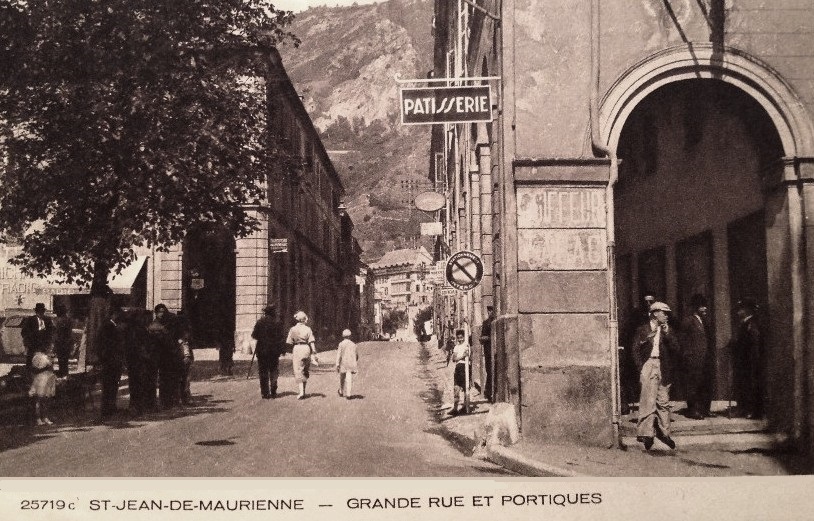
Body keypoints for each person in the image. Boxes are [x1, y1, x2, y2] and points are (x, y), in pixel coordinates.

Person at [631, 301, 679, 450]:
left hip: (663, 367)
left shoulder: (667, 331)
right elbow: (635, 350)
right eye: (664, 312)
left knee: (663, 400)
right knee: (648, 400)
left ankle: (664, 433)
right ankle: (647, 434)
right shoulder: (643, 330)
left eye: (667, 313)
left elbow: (676, 349)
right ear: (655, 313)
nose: (666, 315)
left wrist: (667, 333)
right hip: (649, 365)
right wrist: (641, 367)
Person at [620, 292, 656, 415]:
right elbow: (628, 332)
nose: (648, 304)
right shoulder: (636, 316)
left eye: (651, 301)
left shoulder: (657, 315)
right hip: (637, 352)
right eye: (646, 301)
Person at [679, 294, 713, 419]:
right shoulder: (688, 321)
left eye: (705, 306)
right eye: (702, 307)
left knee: (704, 384)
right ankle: (693, 410)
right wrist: (687, 356)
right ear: (696, 308)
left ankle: (704, 409)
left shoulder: (704, 321)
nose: (705, 309)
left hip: (704, 360)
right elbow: (682, 341)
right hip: (693, 360)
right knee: (693, 385)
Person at [732, 298, 763, 419]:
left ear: (747, 311)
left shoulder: (752, 324)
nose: (738, 312)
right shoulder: (744, 323)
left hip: (750, 362)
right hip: (744, 361)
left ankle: (752, 411)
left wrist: (753, 361)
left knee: (750, 385)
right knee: (744, 385)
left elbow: (754, 344)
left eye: (741, 309)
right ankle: (744, 409)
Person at [148, 304, 181, 409]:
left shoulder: (169, 324)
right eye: (159, 312)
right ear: (156, 313)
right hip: (158, 356)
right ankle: (163, 401)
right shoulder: (154, 325)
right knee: (162, 380)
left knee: (169, 378)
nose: (161, 314)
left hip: (169, 356)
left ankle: (169, 401)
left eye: (163, 311)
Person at [251, 305, 285, 399]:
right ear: (273, 313)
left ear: (265, 312)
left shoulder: (260, 322)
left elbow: (254, 335)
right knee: (273, 370)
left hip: (262, 350)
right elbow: (281, 337)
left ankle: (265, 393)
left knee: (263, 371)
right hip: (274, 351)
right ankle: (273, 390)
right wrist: (282, 349)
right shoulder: (277, 323)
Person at [98, 307, 125, 420]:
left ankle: (111, 407)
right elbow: (105, 344)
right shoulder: (108, 326)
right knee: (109, 385)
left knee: (113, 385)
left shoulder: (111, 325)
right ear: (114, 314)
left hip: (114, 360)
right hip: (110, 361)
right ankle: (107, 409)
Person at [285, 311, 318, 400]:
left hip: (297, 349)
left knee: (298, 370)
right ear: (304, 319)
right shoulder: (308, 329)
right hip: (306, 348)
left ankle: (301, 392)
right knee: (305, 369)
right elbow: (311, 341)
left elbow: (289, 342)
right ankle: (303, 390)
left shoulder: (293, 329)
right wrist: (314, 351)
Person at [21, 303, 54, 371]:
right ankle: (29, 374)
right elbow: (24, 332)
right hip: (33, 344)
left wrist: (49, 341)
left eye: (42, 311)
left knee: (45, 362)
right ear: (36, 311)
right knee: (30, 361)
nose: (41, 313)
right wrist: (29, 341)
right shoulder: (30, 320)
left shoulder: (48, 320)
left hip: (44, 345)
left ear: (44, 311)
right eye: (39, 311)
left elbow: (52, 331)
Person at [29, 351, 56, 426]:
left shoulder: (48, 356)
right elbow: (34, 370)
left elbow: (51, 369)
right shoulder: (37, 356)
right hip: (40, 379)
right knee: (39, 399)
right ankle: (38, 419)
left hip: (48, 379)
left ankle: (45, 417)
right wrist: (46, 367)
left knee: (46, 400)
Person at [449, 329, 471, 416]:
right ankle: (455, 408)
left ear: (464, 337)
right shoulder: (456, 347)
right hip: (458, 367)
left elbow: (468, 355)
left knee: (466, 388)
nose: (460, 339)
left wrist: (463, 356)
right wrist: (462, 356)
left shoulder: (467, 345)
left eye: (461, 338)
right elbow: (454, 359)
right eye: (458, 338)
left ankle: (465, 406)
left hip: (465, 366)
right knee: (456, 388)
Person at [335, 329, 359, 400]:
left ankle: (341, 391)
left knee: (342, 377)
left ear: (343, 336)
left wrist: (337, 364)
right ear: (350, 336)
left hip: (343, 363)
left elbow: (338, 355)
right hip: (351, 362)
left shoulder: (341, 344)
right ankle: (349, 393)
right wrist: (355, 360)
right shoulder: (354, 344)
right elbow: (356, 355)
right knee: (349, 377)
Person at [52, 304, 73, 378]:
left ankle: (62, 373)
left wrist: (55, 343)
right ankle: (65, 374)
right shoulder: (69, 320)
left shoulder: (57, 320)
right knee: (65, 361)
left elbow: (56, 333)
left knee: (61, 360)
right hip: (66, 342)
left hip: (60, 342)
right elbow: (70, 333)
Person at [479, 305, 495, 403]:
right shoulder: (486, 323)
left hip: (496, 350)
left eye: (492, 310)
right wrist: (489, 338)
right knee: (489, 371)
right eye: (489, 311)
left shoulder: (495, 321)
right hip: (488, 351)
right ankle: (488, 392)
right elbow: (481, 338)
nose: (490, 312)